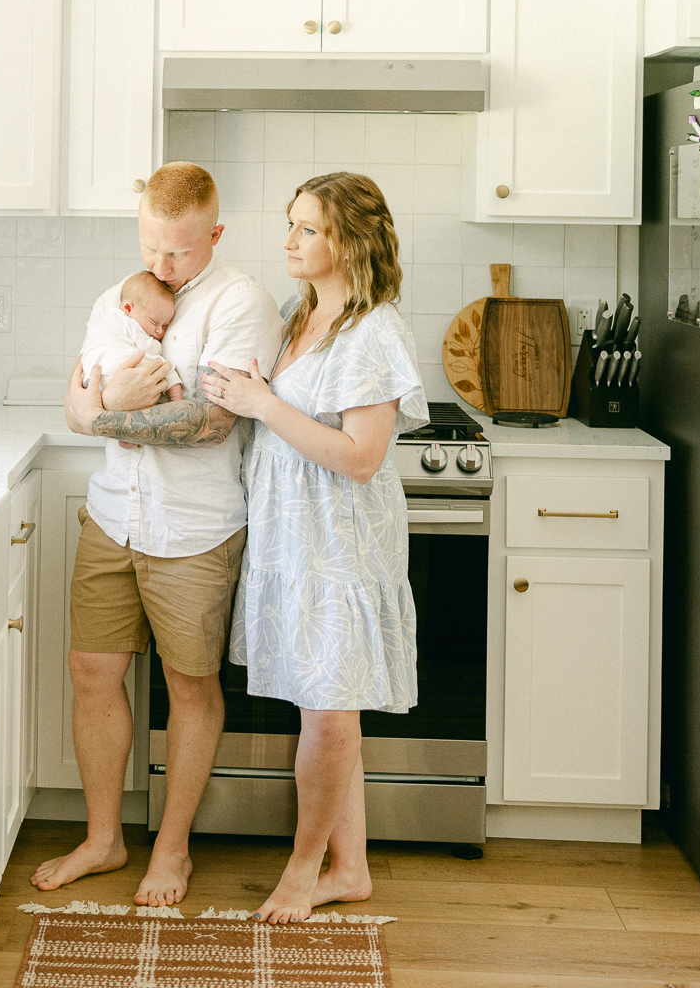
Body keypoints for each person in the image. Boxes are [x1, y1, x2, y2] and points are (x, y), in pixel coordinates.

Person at [32, 161, 284, 906]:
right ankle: (104, 839)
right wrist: (102, 408)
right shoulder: (120, 297)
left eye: (177, 251)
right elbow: (71, 400)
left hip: (194, 528)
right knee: (90, 673)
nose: (160, 265)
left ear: (214, 233)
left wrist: (108, 412)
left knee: (189, 686)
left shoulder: (241, 303)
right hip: (113, 512)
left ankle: (171, 851)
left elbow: (210, 423)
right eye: (150, 246)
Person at [204, 172, 427, 924]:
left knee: (329, 714)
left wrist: (262, 403)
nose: (288, 240)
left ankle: (302, 871)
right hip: (291, 539)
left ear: (348, 241)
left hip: (337, 545)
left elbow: (361, 456)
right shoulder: (306, 314)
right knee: (326, 709)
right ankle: (350, 868)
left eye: (306, 229)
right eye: (290, 224)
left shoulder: (375, 331)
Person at [80, 270, 183, 402]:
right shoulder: (129, 323)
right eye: (154, 322)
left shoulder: (106, 319)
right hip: (114, 366)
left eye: (164, 326)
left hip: (92, 378)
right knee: (164, 366)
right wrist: (158, 345)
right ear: (128, 309)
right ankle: (176, 398)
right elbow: (149, 349)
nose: (158, 331)